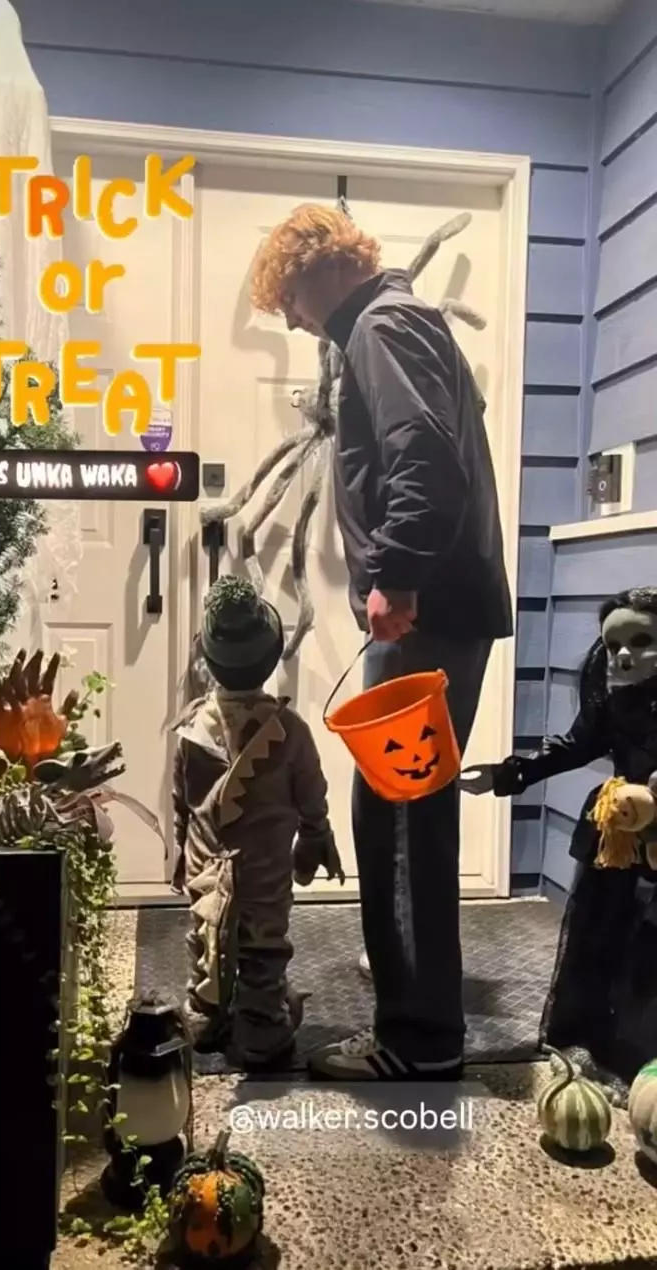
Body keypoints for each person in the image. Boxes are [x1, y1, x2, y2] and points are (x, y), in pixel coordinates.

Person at [250, 204, 513, 1081]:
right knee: (412, 814)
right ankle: (419, 995)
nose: (294, 321)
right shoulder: (404, 322)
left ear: (321, 268)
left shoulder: (382, 326)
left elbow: (424, 458)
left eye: (289, 300)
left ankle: (419, 1039)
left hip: (425, 610)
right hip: (442, 607)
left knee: (397, 818)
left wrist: (395, 573)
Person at [461, 587, 657, 1105]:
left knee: (648, 949)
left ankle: (643, 1062)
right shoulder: (615, 700)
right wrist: (509, 773)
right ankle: (591, 1044)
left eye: (642, 641)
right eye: (613, 644)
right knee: (601, 935)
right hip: (617, 831)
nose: (624, 655)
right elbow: (576, 745)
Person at [170, 573, 344, 1071]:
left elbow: (182, 800)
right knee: (262, 951)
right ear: (271, 659)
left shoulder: (191, 727)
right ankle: (261, 1030)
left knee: (205, 937)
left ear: (208, 660)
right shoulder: (289, 731)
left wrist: (180, 852)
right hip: (264, 875)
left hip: (206, 868)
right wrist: (316, 837)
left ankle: (204, 1017)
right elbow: (312, 796)